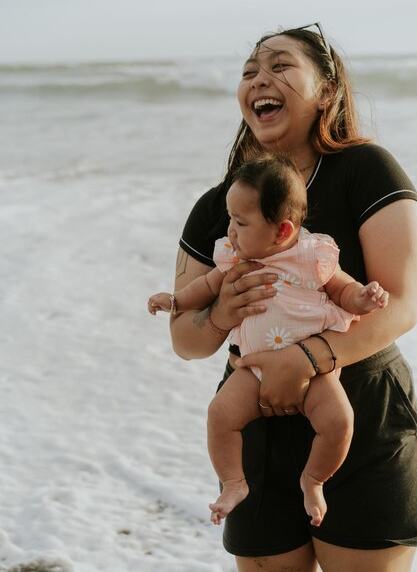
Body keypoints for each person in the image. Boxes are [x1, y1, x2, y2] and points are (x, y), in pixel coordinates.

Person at [168, 23, 417, 572]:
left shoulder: (365, 170)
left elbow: (403, 301)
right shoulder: (221, 204)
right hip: (255, 428)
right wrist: (220, 316)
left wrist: (304, 359)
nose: (260, 78)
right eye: (249, 71)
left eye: (281, 65)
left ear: (326, 91)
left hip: (361, 417)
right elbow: (185, 341)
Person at [148, 156, 389, 528]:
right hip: (252, 367)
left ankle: (313, 481)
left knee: (339, 421)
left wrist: (364, 298)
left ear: (281, 231)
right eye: (230, 219)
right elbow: (203, 287)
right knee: (219, 415)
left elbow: (342, 289)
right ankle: (234, 483)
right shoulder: (234, 259)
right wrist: (176, 301)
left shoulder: (313, 255)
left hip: (314, 369)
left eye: (241, 223)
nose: (230, 230)